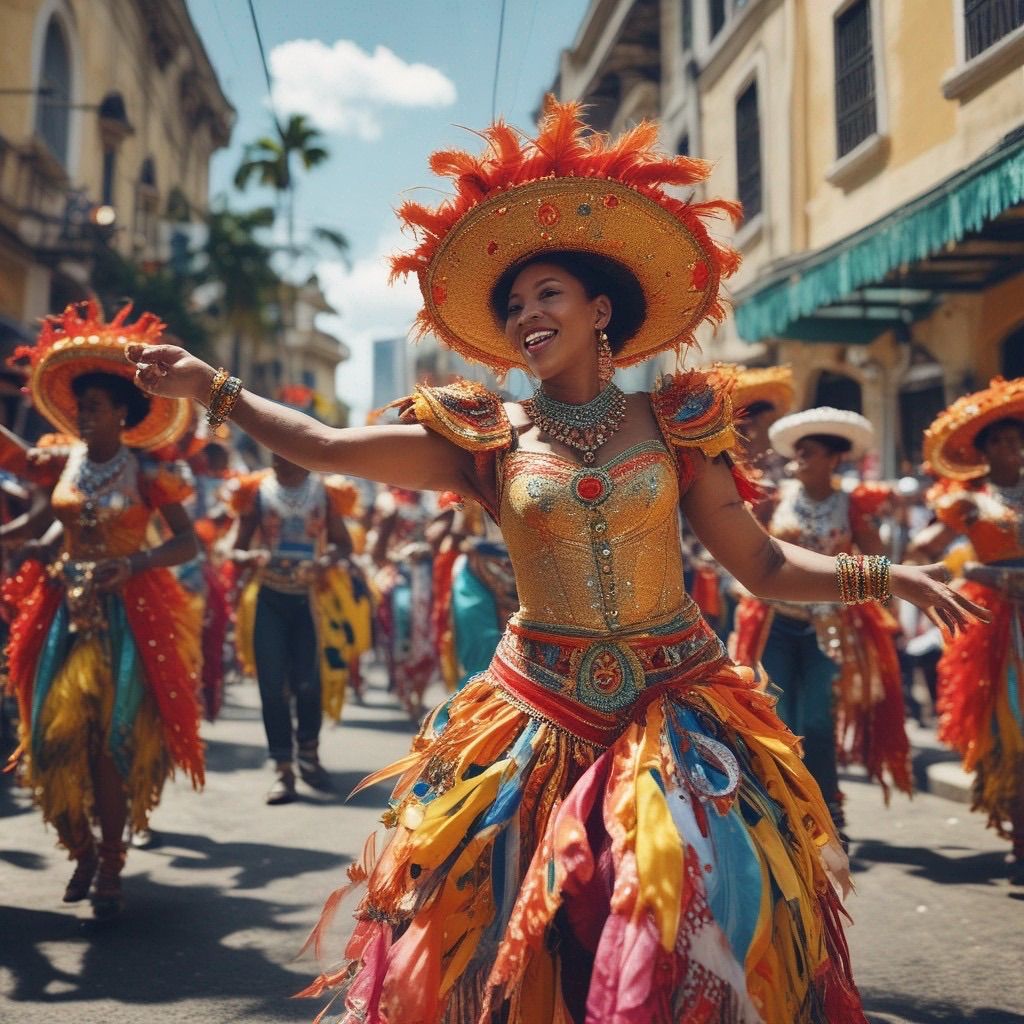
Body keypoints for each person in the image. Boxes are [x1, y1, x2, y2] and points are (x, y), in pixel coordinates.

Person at [128, 100, 984, 1023]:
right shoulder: (486, 438)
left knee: (686, 923)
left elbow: (764, 567)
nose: (527, 314)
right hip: (537, 713)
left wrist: (887, 575)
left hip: (676, 709)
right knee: (528, 947)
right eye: (514, 304)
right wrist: (214, 389)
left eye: (548, 295)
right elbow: (328, 448)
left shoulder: (680, 424)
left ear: (600, 308)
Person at [1, 301, 201, 919]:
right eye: (80, 407)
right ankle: (80, 847)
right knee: (51, 737)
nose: (83, 416)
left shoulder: (148, 475)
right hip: (62, 609)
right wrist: (24, 544)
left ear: (122, 412)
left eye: (94, 407)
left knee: (110, 743)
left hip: (125, 618)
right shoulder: (64, 460)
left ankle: (111, 856)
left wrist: (134, 564)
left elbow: (186, 542)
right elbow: (38, 513)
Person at [732, 408, 914, 830]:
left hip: (830, 629)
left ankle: (826, 807)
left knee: (815, 716)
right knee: (778, 713)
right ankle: (785, 806)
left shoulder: (851, 505)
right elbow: (746, 549)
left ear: (833, 459)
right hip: (776, 624)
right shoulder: (775, 499)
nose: (798, 462)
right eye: (796, 454)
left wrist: (892, 608)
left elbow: (878, 562)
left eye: (809, 453)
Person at [911, 377, 1024, 883]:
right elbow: (920, 550)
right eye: (998, 442)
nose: (1010, 449)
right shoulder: (970, 504)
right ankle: (1021, 843)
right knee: (1011, 729)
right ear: (982, 452)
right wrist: (969, 572)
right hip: (998, 627)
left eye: (1015, 440)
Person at [228, 454, 355, 804]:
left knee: (308, 682)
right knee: (272, 686)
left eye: (286, 449)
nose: (279, 458)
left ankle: (309, 759)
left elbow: (344, 545)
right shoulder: (256, 491)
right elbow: (233, 549)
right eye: (273, 451)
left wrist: (324, 563)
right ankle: (283, 770)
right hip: (268, 598)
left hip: (310, 600)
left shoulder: (324, 493)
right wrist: (251, 558)